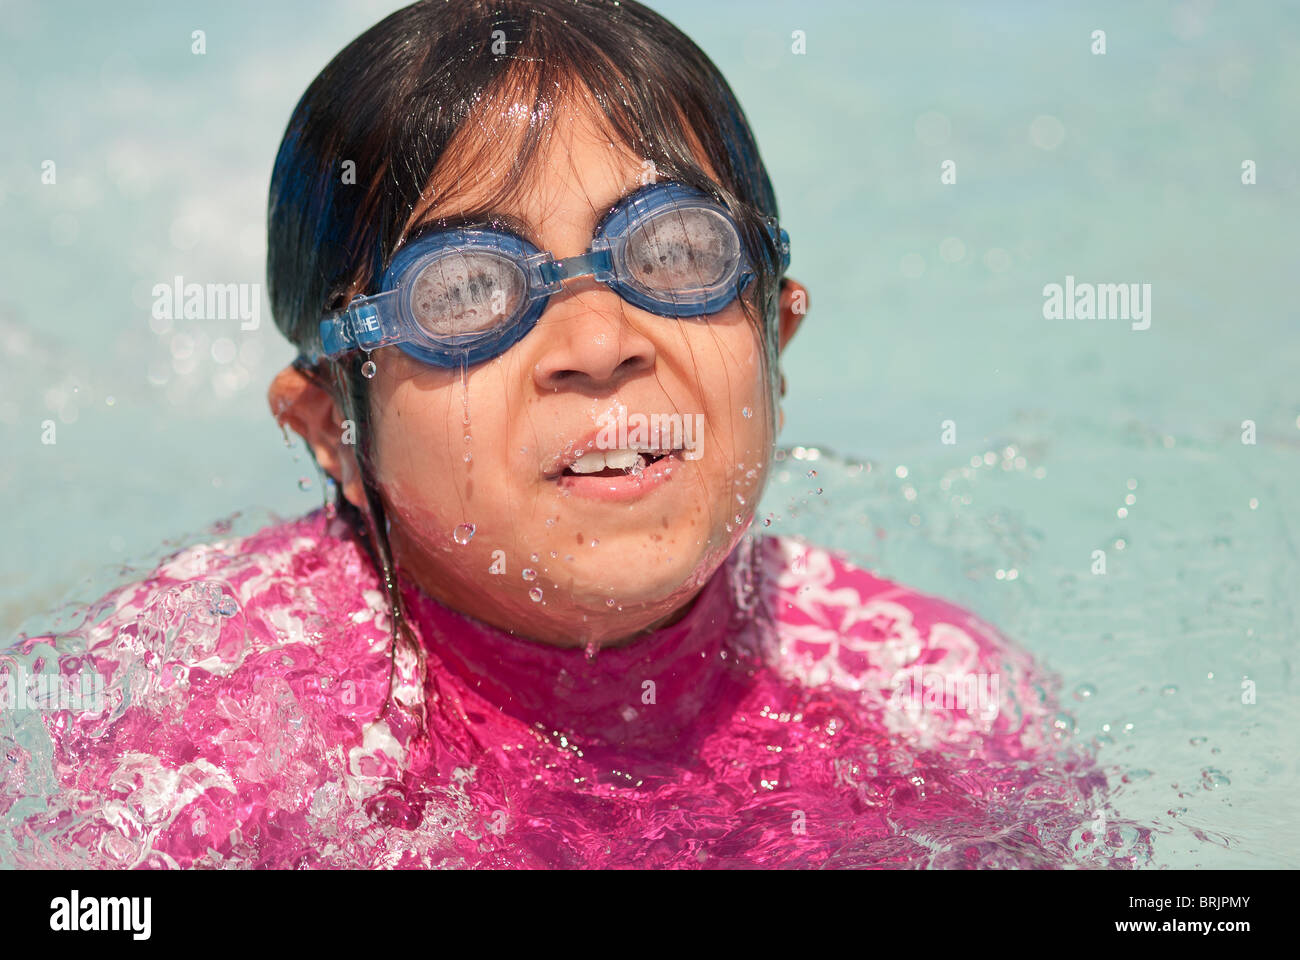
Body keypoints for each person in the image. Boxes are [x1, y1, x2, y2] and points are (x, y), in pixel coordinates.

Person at [0, 0, 1092, 869]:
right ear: (332, 426)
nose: (599, 339)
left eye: (671, 251)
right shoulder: (193, 724)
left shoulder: (928, 697)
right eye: (469, 287)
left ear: (778, 337)